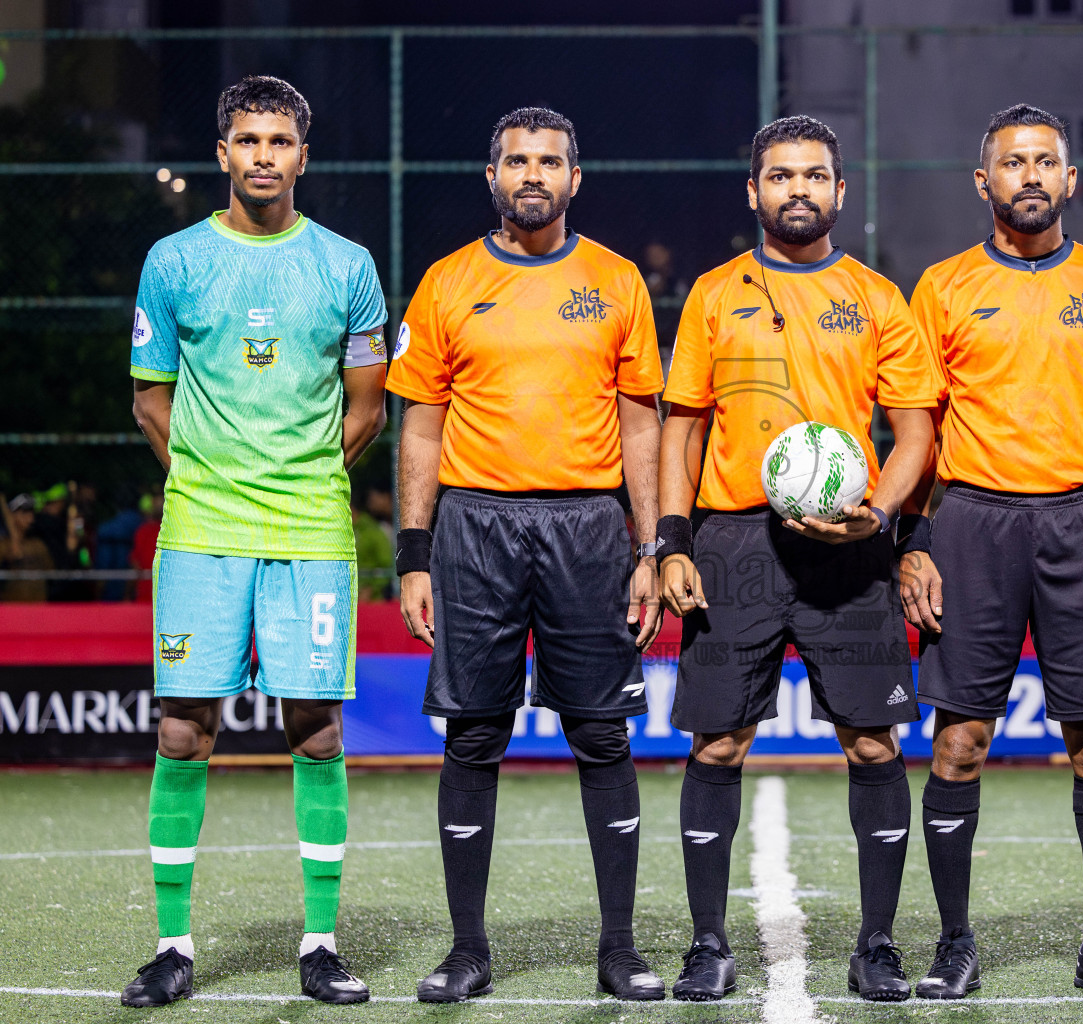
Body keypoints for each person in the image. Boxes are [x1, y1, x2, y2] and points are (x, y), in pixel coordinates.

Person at [657, 115, 941, 1003]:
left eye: (814, 176)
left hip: (848, 549)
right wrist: (669, 540)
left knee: (871, 740)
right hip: (734, 538)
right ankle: (708, 944)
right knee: (719, 740)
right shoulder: (712, 293)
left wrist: (883, 520)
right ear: (754, 191)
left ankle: (879, 946)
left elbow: (917, 430)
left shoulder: (878, 298)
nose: (797, 190)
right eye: (779, 176)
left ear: (839, 191)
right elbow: (684, 424)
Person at [119, 75, 388, 1008]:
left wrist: (300, 473)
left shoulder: (349, 265)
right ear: (223, 153)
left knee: (315, 731)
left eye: (281, 140)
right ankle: (172, 947)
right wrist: (208, 470)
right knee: (183, 730)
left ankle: (319, 944)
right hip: (200, 530)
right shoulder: (173, 259)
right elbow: (151, 395)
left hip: (311, 527)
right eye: (248, 139)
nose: (264, 155)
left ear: (302, 157)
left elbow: (367, 409)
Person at [388, 107, 667, 1004]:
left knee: (600, 733)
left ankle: (618, 949)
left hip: (589, 527)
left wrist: (652, 545)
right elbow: (421, 428)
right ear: (492, 175)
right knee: (474, 732)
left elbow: (640, 423)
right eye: (516, 160)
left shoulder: (618, 280)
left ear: (575, 179)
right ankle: (468, 949)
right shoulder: (446, 282)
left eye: (550, 161)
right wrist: (415, 553)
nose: (532, 173)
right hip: (475, 528)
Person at [899, 103, 1083, 1001]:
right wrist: (916, 541)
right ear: (984, 183)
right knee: (961, 744)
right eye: (1012, 163)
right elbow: (916, 427)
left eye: (1045, 162)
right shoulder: (939, 287)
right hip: (973, 524)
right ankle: (953, 945)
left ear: (1070, 180)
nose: (1029, 176)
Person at [0, 493, 53, 603]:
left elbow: (52, 572)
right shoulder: (4, 545)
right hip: (11, 611)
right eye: (24, 513)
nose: (30, 518)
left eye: (31, 513)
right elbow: (15, 553)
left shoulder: (38, 544)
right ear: (11, 515)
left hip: (39, 611)